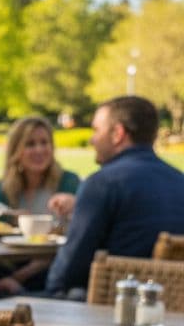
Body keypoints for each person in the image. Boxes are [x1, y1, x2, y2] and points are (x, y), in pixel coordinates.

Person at [46, 96, 184, 296]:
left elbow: (68, 271)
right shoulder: (179, 180)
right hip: (171, 307)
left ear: (118, 134)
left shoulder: (102, 183)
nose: (92, 139)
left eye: (96, 130)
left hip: (112, 305)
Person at [0, 116, 81, 301]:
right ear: (16, 151)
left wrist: (16, 278)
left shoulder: (68, 182)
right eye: (30, 144)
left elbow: (74, 239)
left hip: (48, 265)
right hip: (10, 263)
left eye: (44, 143)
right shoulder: (6, 188)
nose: (39, 150)